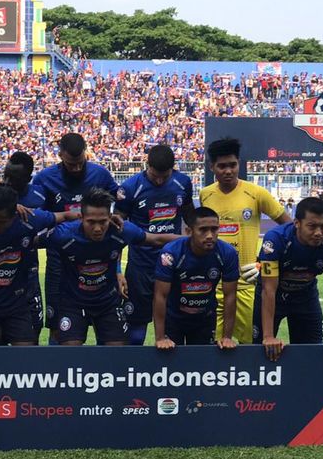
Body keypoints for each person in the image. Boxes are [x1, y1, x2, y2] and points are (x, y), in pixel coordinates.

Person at [39, 188, 179, 346]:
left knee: (116, 356)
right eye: (91, 222)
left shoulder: (121, 231)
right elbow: (30, 240)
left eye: (102, 222)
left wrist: (190, 239)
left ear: (110, 218)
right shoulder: (64, 234)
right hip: (73, 303)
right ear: (80, 217)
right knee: (71, 354)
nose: (97, 228)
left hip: (107, 302)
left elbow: (156, 239)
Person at [0, 186, 77, 346]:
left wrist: (102, 218)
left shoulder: (30, 219)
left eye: (1, 221)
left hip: (15, 304)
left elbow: (65, 215)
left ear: (14, 214)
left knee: (25, 358)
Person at [200, 138, 290, 344]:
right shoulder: (206, 195)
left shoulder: (256, 193)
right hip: (212, 285)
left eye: (233, 165)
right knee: (211, 346)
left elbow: (289, 228)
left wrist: (263, 263)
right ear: (211, 166)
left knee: (250, 348)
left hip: (246, 285)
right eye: (222, 166)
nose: (228, 171)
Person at [33, 133, 119, 344]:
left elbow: (120, 210)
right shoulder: (45, 178)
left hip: (99, 255)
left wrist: (117, 270)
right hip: (59, 261)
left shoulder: (101, 175)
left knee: (109, 326)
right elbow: (36, 219)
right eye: (71, 165)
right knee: (58, 327)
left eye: (81, 163)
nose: (77, 169)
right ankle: (59, 370)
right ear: (60, 155)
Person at [115, 144, 194, 345]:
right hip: (140, 266)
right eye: (154, 175)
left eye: (164, 176)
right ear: (146, 165)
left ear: (173, 169)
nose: (159, 180)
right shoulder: (130, 188)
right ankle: (133, 371)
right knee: (136, 330)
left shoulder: (183, 183)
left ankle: (171, 374)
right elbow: (115, 232)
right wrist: (117, 270)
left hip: (173, 265)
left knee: (173, 327)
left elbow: (191, 219)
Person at [254, 197, 323, 358]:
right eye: (312, 226)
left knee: (311, 353)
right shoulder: (275, 239)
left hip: (306, 297)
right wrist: (268, 336)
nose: (318, 233)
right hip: (273, 296)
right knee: (259, 352)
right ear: (297, 223)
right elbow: (268, 290)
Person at [153, 207, 239, 349]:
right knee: (171, 367)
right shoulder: (171, 253)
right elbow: (160, 295)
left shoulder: (227, 253)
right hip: (174, 318)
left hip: (205, 319)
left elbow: (230, 295)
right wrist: (160, 338)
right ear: (189, 231)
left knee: (202, 367)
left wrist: (227, 337)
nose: (210, 235)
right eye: (203, 230)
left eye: (214, 229)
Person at [2, 152, 47, 342]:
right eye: (6, 175)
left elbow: (53, 227)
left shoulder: (40, 196)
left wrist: (37, 239)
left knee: (32, 330)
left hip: (28, 272)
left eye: (15, 178)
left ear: (28, 178)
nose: (8, 181)